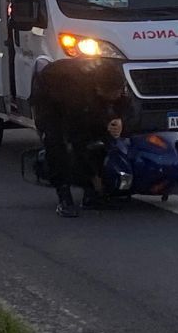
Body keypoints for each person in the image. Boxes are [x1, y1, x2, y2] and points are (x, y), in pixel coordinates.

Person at [31, 57, 131, 217]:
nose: (117, 96)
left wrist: (119, 120)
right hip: (50, 99)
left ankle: (91, 195)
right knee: (58, 144)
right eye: (112, 94)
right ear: (99, 90)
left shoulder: (114, 79)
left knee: (100, 138)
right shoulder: (76, 93)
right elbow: (78, 135)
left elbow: (125, 105)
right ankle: (64, 197)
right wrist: (92, 176)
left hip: (84, 100)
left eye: (118, 92)